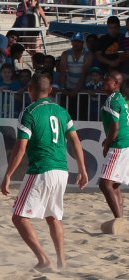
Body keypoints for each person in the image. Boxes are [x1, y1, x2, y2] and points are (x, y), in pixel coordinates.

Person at [0, 73, 88, 270]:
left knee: (19, 217)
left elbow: (20, 147)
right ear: (50, 91)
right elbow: (75, 141)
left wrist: (8, 175)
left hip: (42, 169)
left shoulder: (29, 112)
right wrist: (82, 169)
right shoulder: (61, 111)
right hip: (62, 170)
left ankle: (43, 259)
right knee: (53, 216)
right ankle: (61, 260)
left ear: (29, 90)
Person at [99, 71, 129, 234]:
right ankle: (121, 221)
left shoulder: (112, 100)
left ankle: (119, 220)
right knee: (114, 184)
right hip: (125, 142)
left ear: (116, 84)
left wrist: (107, 144)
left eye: (107, 79)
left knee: (105, 183)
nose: (104, 81)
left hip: (120, 144)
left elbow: (115, 127)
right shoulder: (120, 99)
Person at [59, 32, 93, 120]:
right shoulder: (65, 54)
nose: (76, 43)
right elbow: (62, 71)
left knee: (82, 115)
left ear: (82, 43)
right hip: (69, 88)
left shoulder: (88, 54)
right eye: (74, 41)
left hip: (83, 89)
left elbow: (84, 74)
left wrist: (76, 90)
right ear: (71, 42)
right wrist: (62, 88)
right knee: (67, 115)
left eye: (78, 42)